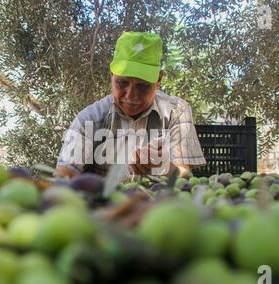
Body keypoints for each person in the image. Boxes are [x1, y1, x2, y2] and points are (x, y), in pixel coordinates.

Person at [55, 31, 206, 179]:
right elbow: (64, 175)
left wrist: (165, 166)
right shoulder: (89, 119)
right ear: (111, 75)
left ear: (159, 80)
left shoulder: (176, 112)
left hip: (160, 200)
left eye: (143, 86)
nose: (131, 95)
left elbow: (184, 175)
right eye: (122, 83)